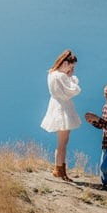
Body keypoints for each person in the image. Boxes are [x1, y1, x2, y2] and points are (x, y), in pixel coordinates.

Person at [40, 49, 81, 180]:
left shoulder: (51, 74)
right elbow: (73, 90)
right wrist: (71, 78)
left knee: (63, 141)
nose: (72, 69)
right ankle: (59, 170)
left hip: (56, 106)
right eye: (71, 66)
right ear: (65, 63)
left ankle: (61, 170)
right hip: (62, 108)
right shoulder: (62, 76)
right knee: (63, 142)